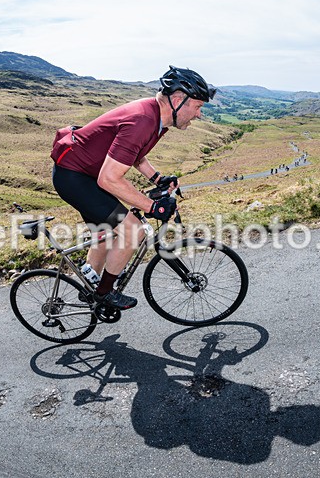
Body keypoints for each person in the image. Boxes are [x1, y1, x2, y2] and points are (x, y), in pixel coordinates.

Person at [50, 65, 216, 309]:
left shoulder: (156, 118)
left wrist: (157, 179)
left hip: (85, 174)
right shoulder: (143, 120)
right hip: (75, 178)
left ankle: (89, 286)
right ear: (179, 100)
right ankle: (104, 294)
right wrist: (152, 207)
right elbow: (109, 179)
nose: (199, 115)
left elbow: (135, 154)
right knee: (133, 230)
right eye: (198, 107)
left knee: (106, 234)